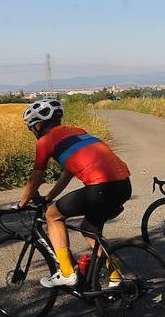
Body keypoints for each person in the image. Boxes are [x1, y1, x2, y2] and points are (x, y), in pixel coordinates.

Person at [16, 99, 132, 288]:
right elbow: (67, 173)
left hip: (100, 187)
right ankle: (116, 277)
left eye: (31, 128)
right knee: (89, 229)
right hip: (124, 185)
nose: (32, 132)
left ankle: (67, 272)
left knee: (53, 215)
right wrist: (48, 198)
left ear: (38, 125)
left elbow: (36, 176)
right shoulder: (77, 132)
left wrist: (22, 202)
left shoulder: (45, 141)